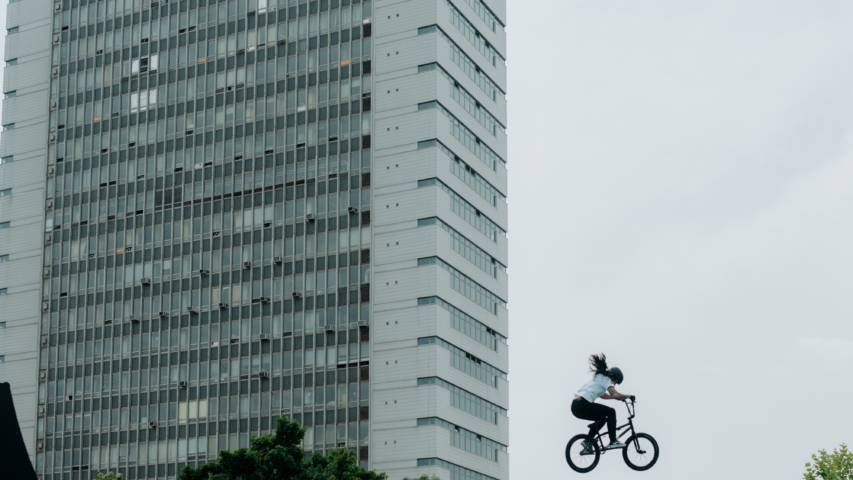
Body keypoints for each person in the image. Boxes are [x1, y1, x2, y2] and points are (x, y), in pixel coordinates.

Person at [571, 353, 635, 451]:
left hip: (576, 406)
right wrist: (629, 396)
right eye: (615, 382)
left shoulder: (599, 377)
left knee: (602, 418)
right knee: (611, 412)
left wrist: (617, 398)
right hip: (582, 403)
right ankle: (613, 440)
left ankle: (588, 441)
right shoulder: (606, 380)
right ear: (613, 376)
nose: (614, 385)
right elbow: (615, 394)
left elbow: (603, 395)